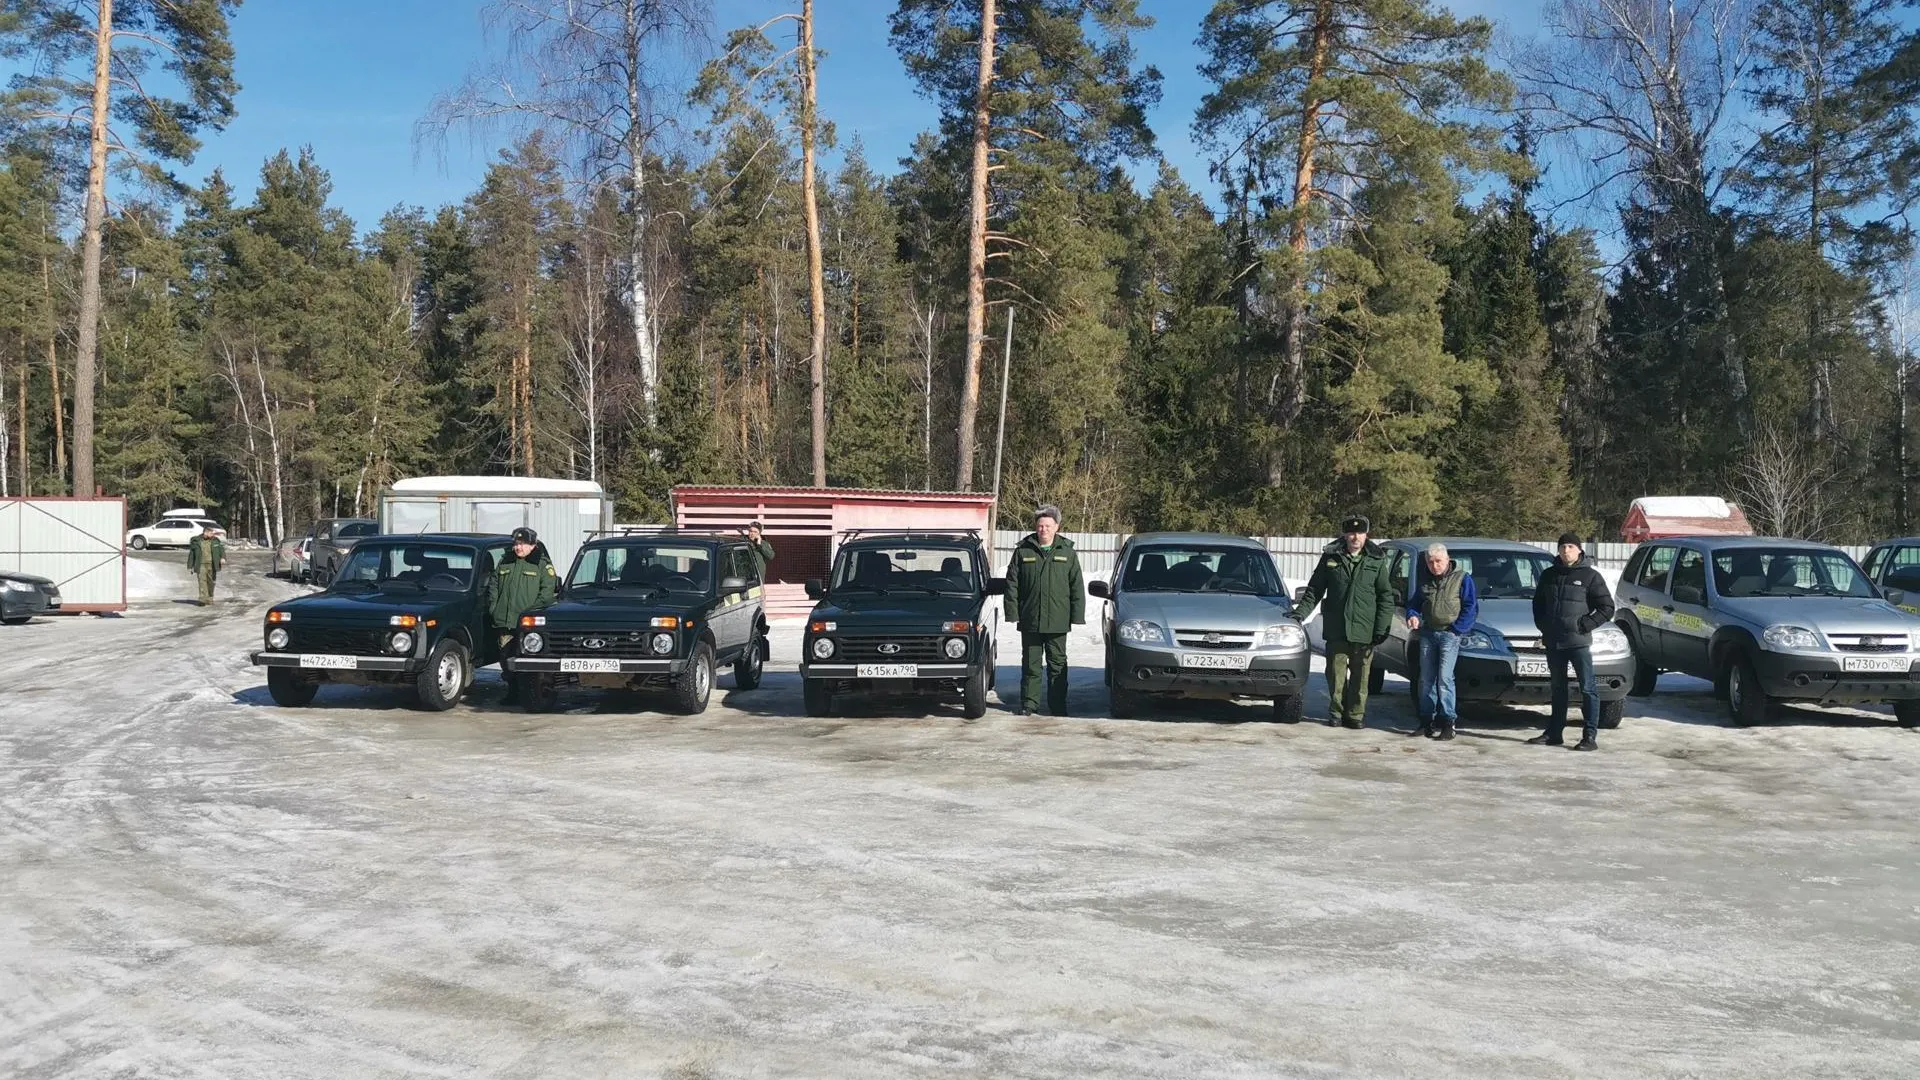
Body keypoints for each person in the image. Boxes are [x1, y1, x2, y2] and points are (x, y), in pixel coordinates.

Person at [1295, 515, 1395, 729]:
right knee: (1335, 674)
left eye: (1359, 533)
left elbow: (1385, 597)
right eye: (1351, 533)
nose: (1355, 537)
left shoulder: (1376, 560)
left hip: (1364, 629)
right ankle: (1336, 712)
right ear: (1344, 534)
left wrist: (1381, 628)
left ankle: (1356, 715)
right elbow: (1314, 590)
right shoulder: (1331, 557)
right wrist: (1300, 613)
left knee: (1361, 677)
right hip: (1337, 628)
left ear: (1366, 535)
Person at [1529, 531, 1616, 751]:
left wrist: (1586, 624)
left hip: (1578, 642)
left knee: (1588, 688)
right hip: (1554, 642)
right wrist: (1544, 626)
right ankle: (1554, 733)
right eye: (1562, 547)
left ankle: (1589, 736)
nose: (1566, 551)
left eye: (1570, 547)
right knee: (1558, 689)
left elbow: (1607, 607)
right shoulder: (1548, 575)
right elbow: (1538, 604)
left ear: (1579, 550)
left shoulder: (1590, 576)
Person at [1003, 504, 1085, 716]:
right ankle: (1029, 704)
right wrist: (1012, 612)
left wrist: (1077, 615)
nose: (1043, 530)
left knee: (1057, 665)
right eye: (1040, 525)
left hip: (1058, 620)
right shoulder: (1023, 551)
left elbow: (1076, 585)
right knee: (1031, 664)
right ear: (1035, 526)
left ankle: (1058, 705)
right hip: (1030, 618)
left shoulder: (1067, 552)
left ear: (1056, 527)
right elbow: (1012, 583)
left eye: (1048, 526)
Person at [1405, 542, 1478, 740]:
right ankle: (1426, 721)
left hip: (1450, 635)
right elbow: (1414, 603)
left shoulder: (1462, 579)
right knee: (1426, 679)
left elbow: (1471, 606)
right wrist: (1412, 614)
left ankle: (1448, 722)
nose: (1434, 565)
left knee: (1445, 679)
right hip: (1428, 633)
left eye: (1438, 561)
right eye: (1430, 562)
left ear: (1447, 560)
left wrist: (1457, 629)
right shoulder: (1425, 581)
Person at [487, 526, 558, 704]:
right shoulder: (506, 561)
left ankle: (533, 694)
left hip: (528, 624)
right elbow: (494, 585)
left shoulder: (542, 565)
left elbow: (547, 594)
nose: (518, 548)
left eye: (523, 544)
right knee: (506, 658)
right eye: (516, 544)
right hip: (505, 621)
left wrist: (530, 612)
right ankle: (512, 693)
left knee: (529, 660)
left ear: (533, 545)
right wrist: (494, 607)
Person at [185, 523, 224, 606]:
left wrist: (222, 558)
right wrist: (190, 565)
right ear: (205, 533)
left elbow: (221, 550)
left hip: (212, 564)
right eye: (211, 533)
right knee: (202, 582)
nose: (212, 534)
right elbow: (192, 554)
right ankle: (202, 599)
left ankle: (210, 598)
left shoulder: (215, 540)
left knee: (211, 582)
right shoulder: (196, 541)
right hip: (201, 564)